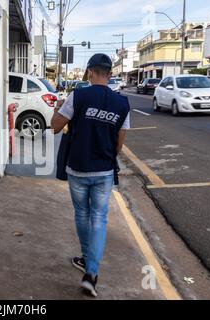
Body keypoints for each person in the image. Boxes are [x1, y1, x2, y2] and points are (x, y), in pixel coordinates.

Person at [51, 53, 131, 297]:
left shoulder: (78, 96)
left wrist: (58, 108)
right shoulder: (122, 104)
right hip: (104, 170)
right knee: (99, 218)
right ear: (109, 74)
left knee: (82, 214)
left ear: (90, 72)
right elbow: (119, 144)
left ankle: (87, 260)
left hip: (78, 168)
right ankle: (91, 272)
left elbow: (55, 126)